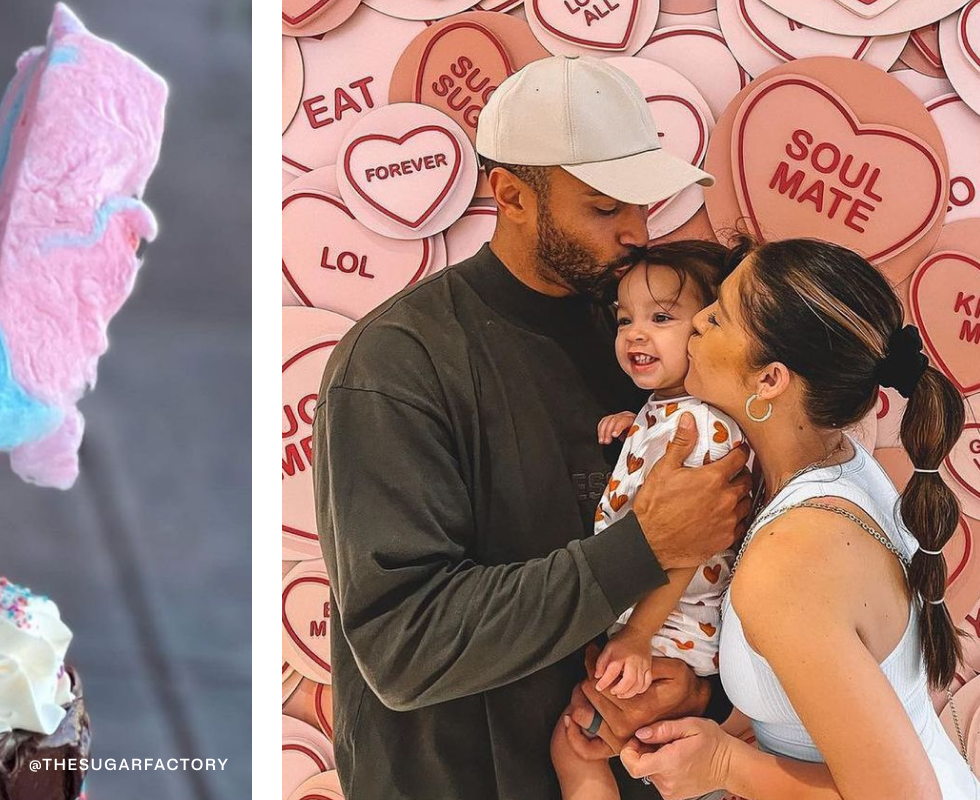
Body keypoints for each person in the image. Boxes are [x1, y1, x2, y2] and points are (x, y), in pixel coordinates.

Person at [312, 56, 754, 800]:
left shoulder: (658, 339)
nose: (639, 232)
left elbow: (724, 566)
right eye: (605, 208)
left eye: (642, 202)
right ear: (511, 196)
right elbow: (404, 645)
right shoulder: (395, 365)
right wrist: (643, 547)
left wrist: (693, 686)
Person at [552, 236, 980, 800]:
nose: (700, 320)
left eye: (721, 315)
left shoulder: (791, 558)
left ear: (770, 380)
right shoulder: (843, 464)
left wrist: (723, 767)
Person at [586, 242, 742, 737]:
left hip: (669, 626)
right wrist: (635, 427)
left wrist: (636, 636)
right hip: (650, 613)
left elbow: (684, 550)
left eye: (660, 318)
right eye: (624, 318)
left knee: (580, 736)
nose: (635, 332)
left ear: (710, 329)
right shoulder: (666, 409)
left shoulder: (695, 426)